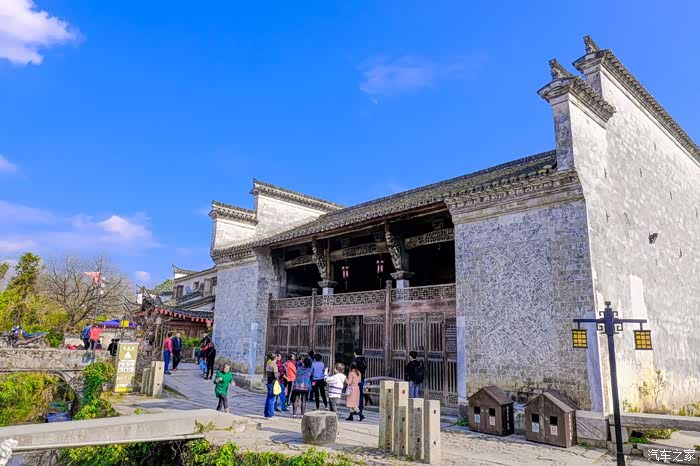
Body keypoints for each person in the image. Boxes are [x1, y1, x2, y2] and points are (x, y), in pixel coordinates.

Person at [352, 349, 367, 415]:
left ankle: (356, 409)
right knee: (360, 394)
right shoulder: (364, 360)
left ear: (355, 353)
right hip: (362, 379)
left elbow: (353, 370)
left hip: (356, 380)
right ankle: (360, 409)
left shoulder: (355, 361)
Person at [264, 354, 279, 418]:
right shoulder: (274, 365)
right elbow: (276, 376)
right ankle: (271, 414)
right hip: (273, 383)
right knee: (272, 399)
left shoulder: (268, 364)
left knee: (268, 398)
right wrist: (278, 376)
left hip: (269, 382)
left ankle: (266, 413)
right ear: (275, 358)